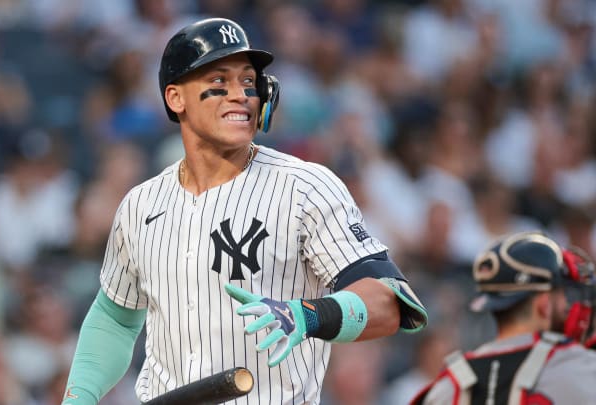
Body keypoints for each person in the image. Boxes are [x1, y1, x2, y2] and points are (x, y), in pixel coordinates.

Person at [61, 17, 427, 405]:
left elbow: (390, 302)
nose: (240, 95)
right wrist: (79, 396)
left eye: (249, 82)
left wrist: (309, 314)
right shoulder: (141, 204)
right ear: (175, 98)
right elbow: (116, 317)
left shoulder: (305, 187)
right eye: (219, 83)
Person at [411, 231, 596, 405]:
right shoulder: (579, 367)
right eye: (564, 295)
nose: (568, 304)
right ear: (544, 304)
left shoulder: (448, 386)